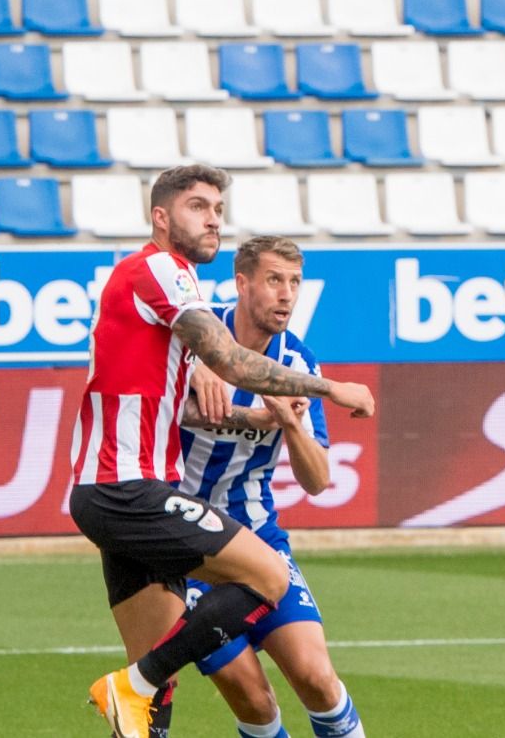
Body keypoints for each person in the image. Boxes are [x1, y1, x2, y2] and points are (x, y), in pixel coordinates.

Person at [71, 165, 375, 737]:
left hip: (130, 495)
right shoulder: (160, 272)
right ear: (160, 218)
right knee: (268, 580)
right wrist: (332, 388)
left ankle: (135, 690)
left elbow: (182, 396)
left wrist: (261, 417)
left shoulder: (178, 305)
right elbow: (232, 361)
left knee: (148, 711)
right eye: (197, 206)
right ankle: (132, 683)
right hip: (132, 488)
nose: (213, 218)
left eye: (217, 208)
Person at [179, 236, 364, 738]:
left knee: (317, 679)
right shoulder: (193, 338)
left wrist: (289, 424)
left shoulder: (298, 365)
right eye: (274, 280)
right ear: (242, 283)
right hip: (187, 550)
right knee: (255, 701)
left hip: (260, 539)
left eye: (295, 283)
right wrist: (195, 368)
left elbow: (319, 479)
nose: (286, 294)